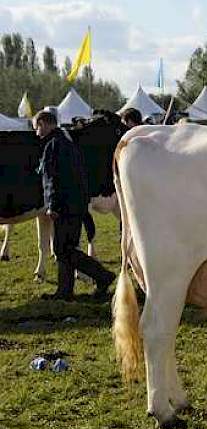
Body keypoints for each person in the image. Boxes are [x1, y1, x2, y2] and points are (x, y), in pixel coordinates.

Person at [33, 110, 114, 301]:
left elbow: (53, 179)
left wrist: (52, 205)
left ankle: (103, 276)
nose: (36, 131)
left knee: (62, 250)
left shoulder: (53, 145)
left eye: (36, 126)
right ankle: (65, 291)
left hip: (64, 206)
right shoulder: (67, 142)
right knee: (67, 247)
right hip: (75, 205)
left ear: (44, 123)